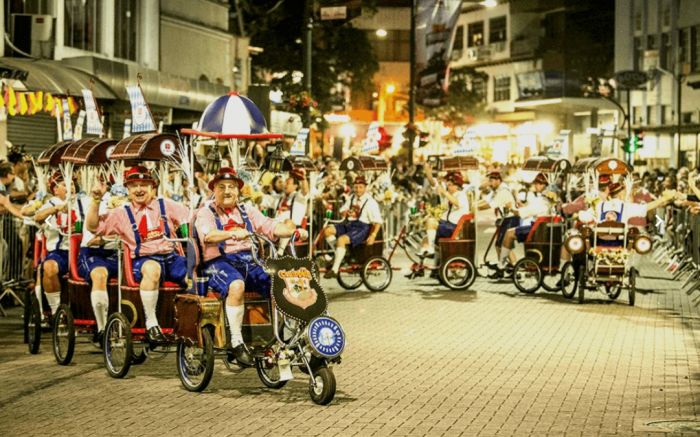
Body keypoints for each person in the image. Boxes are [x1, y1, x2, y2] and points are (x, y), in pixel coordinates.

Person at [194, 167, 296, 365]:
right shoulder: (205, 213)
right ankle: (237, 342)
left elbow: (270, 226)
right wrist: (232, 233)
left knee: (280, 284)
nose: (227, 191)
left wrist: (293, 231)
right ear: (213, 190)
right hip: (218, 263)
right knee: (237, 285)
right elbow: (208, 236)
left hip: (251, 260)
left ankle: (282, 333)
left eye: (231, 187)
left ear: (238, 191)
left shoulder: (247, 211)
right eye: (221, 187)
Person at [86, 166, 190, 343]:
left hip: (172, 258)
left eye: (144, 184)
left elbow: (191, 217)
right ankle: (152, 326)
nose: (139, 189)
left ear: (152, 187)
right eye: (134, 185)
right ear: (128, 189)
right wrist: (96, 200)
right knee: (153, 269)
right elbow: (93, 227)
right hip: (143, 261)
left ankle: (191, 325)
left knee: (195, 274)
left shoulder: (166, 205)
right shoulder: (121, 213)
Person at [75, 184, 118, 346]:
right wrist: (96, 199)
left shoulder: (129, 203)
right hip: (93, 252)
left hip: (120, 253)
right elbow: (92, 227)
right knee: (100, 275)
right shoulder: (86, 200)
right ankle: (102, 330)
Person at [322, 175, 383, 279]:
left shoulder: (371, 202)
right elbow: (342, 211)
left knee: (341, 240)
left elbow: (378, 222)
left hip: (362, 227)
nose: (358, 190)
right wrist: (345, 212)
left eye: (360, 187)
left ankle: (335, 270)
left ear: (365, 187)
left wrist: (373, 235)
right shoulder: (352, 198)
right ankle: (342, 254)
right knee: (327, 231)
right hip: (349, 224)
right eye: (356, 187)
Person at [494, 173, 552, 277]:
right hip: (541, 229)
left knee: (509, 233)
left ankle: (501, 265)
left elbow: (524, 213)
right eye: (536, 183)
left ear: (544, 185)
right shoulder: (546, 199)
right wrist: (522, 206)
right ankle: (506, 263)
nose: (536, 185)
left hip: (536, 231)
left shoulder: (543, 200)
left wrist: (512, 208)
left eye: (538, 183)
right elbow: (530, 208)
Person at [33, 171, 74, 317]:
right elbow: (37, 217)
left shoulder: (82, 202)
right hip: (60, 253)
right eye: (65, 185)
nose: (71, 187)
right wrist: (56, 209)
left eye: (72, 184)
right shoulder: (51, 203)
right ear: (55, 189)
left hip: (82, 252)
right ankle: (56, 312)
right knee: (48, 267)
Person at [417, 168, 470, 257]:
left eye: (450, 185)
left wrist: (445, 192)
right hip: (446, 224)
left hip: (453, 227)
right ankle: (426, 258)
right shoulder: (448, 194)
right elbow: (433, 184)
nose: (448, 186)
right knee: (425, 238)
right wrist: (428, 172)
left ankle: (431, 249)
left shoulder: (461, 195)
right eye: (447, 184)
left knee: (431, 222)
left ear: (456, 186)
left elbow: (457, 203)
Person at [478, 170, 518, 268]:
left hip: (510, 219)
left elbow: (490, 204)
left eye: (491, 181)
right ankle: (503, 267)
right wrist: (475, 204)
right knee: (499, 245)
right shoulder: (496, 191)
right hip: (504, 220)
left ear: (498, 180)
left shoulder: (503, 191)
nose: (490, 184)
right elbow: (486, 199)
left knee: (504, 246)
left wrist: (476, 208)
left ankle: (514, 267)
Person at [275, 168, 309, 253]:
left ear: (295, 186)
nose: (285, 185)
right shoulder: (281, 198)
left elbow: (305, 191)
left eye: (288, 183)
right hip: (277, 228)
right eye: (285, 182)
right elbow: (264, 200)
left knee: (288, 222)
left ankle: (280, 253)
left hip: (296, 229)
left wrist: (303, 178)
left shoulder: (299, 197)